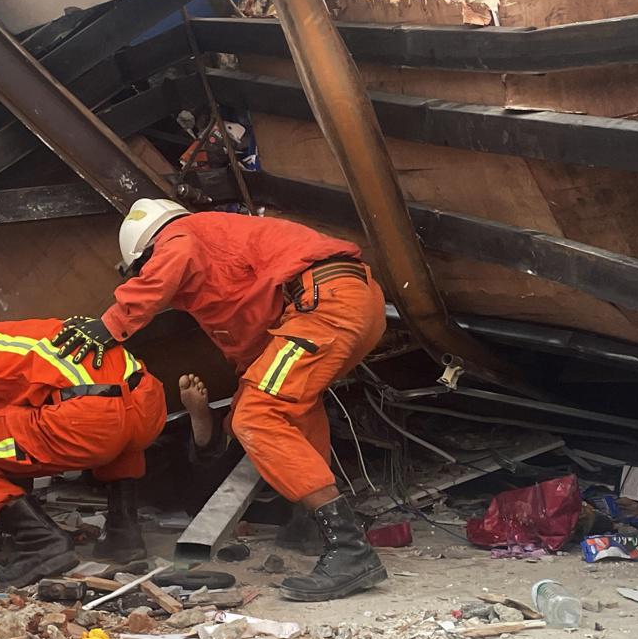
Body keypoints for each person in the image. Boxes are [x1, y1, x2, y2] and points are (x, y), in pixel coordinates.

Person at [55, 200, 388, 601]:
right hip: (345, 301)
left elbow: (174, 258)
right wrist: (238, 407)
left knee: (259, 416)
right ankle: (310, 525)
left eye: (144, 270)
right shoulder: (219, 260)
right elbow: (251, 347)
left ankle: (350, 549)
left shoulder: (182, 235)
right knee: (287, 408)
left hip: (323, 305)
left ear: (148, 253)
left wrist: (110, 324)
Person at [0, 274, 168, 584]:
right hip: (147, 406)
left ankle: (41, 542)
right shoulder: (9, 339)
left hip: (89, 422)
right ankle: (124, 534)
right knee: (109, 414)